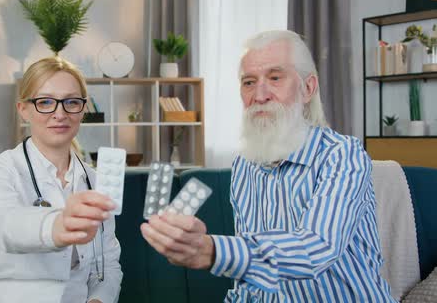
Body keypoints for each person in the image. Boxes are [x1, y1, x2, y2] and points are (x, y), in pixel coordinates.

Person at [140, 30, 396, 302]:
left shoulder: (343, 155)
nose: (260, 95)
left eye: (275, 78)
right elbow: (253, 277)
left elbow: (316, 248)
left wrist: (212, 250)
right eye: (249, 82)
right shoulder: (244, 165)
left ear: (307, 88)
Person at [0, 57, 122, 303]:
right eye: (46, 102)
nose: (59, 114)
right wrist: (59, 225)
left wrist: (98, 300)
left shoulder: (96, 181)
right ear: (24, 109)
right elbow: (3, 225)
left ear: (83, 109)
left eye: (71, 102)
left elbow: (108, 265)